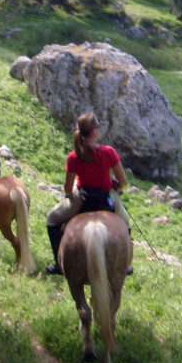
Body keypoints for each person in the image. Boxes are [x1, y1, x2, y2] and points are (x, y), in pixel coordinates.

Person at [45, 112, 130, 275]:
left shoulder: (73, 156)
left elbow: (68, 188)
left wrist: (71, 194)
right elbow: (123, 180)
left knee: (52, 219)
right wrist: (118, 189)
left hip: (83, 198)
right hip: (105, 198)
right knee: (126, 223)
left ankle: (58, 264)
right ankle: (125, 265)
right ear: (95, 132)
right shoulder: (109, 152)